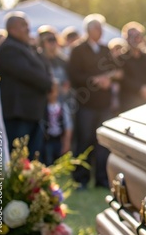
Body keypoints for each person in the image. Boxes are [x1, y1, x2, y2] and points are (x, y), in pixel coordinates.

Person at [67, 13, 119, 189]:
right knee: (84, 141)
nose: (100, 31)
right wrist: (94, 80)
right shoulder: (78, 49)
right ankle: (80, 179)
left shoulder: (105, 50)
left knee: (103, 143)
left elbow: (116, 71)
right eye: (97, 28)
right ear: (89, 30)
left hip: (103, 103)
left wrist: (108, 79)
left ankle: (102, 179)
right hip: (86, 104)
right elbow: (74, 75)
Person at [0, 11, 53, 158]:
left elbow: (44, 67)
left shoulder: (26, 47)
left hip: (31, 112)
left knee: (31, 156)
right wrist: (47, 82)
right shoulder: (9, 48)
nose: (28, 28)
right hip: (18, 113)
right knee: (17, 157)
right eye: (23, 25)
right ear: (12, 29)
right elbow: (29, 74)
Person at [42, 81, 72, 165]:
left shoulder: (62, 107)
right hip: (47, 140)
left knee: (59, 162)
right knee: (48, 161)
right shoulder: (44, 108)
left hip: (59, 139)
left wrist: (67, 142)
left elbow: (68, 126)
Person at [38, 26, 71, 102]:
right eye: (50, 40)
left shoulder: (63, 60)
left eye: (54, 39)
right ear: (42, 42)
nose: (53, 43)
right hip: (44, 101)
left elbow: (68, 79)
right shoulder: (37, 60)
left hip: (62, 101)